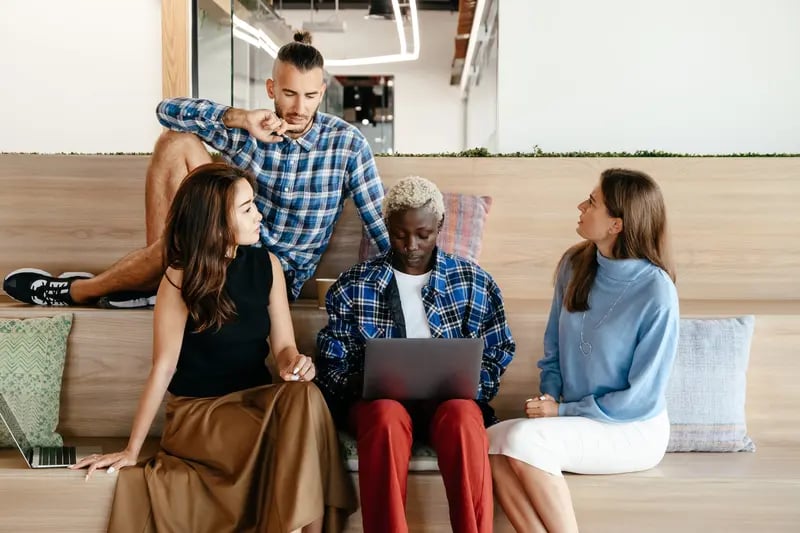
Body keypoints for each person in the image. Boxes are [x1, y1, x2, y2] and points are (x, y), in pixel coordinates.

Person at [3, 31, 388, 308]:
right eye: (289, 94)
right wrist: (240, 118)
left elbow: (380, 225)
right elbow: (166, 111)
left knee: (186, 243)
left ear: (322, 92)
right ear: (272, 89)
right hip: (219, 249)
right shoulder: (250, 128)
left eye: (310, 95)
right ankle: (159, 276)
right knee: (175, 142)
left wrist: (411, 287)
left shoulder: (347, 144)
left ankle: (76, 292)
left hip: (272, 279)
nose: (300, 107)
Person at [70, 163, 357, 533]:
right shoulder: (180, 276)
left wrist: (296, 364)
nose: (259, 215)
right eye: (247, 209)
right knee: (294, 434)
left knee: (306, 394)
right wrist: (131, 449)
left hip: (256, 404)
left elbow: (284, 347)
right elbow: (163, 367)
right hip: (201, 415)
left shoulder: (268, 265)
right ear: (217, 222)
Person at [315, 176, 515, 533]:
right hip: (379, 407)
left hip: (450, 405)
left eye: (423, 234)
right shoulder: (354, 284)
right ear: (386, 226)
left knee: (463, 418)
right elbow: (332, 362)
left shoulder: (473, 280)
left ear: (440, 225)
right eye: (399, 234)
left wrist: (473, 383)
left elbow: (498, 349)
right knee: (385, 417)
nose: (411, 246)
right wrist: (362, 381)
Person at [487, 168, 679, 533]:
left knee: (522, 441)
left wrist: (562, 411)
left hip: (631, 428)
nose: (581, 206)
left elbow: (641, 398)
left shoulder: (656, 291)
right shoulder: (575, 265)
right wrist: (549, 395)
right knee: (488, 443)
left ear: (616, 225)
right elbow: (553, 350)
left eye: (592, 202)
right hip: (579, 420)